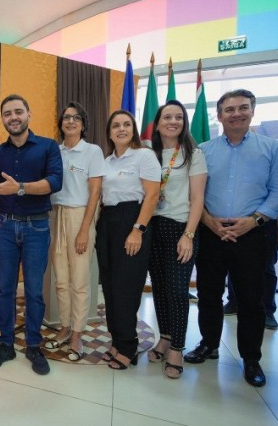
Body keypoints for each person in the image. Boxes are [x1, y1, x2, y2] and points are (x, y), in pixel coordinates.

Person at [183, 89, 278, 388]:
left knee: (250, 299)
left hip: (253, 233)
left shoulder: (273, 148)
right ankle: (209, 344)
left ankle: (251, 358)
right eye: (229, 109)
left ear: (252, 111)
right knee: (208, 293)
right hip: (212, 230)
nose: (236, 114)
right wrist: (209, 221)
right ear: (219, 116)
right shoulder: (203, 150)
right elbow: (195, 193)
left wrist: (252, 221)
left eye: (243, 108)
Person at [0, 94, 62, 375]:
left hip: (37, 227)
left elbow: (54, 182)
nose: (13, 117)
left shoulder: (48, 147)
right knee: (4, 289)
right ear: (2, 118)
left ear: (29, 114)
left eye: (18, 111)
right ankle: (5, 344)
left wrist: (19, 188)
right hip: (3, 227)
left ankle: (33, 345)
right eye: (7, 113)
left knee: (33, 291)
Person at [96, 109, 161, 370]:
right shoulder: (106, 161)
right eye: (116, 126)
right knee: (110, 285)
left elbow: (153, 196)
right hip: (108, 221)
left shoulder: (144, 155)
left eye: (126, 124)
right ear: (109, 132)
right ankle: (117, 340)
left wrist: (138, 230)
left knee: (126, 287)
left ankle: (128, 345)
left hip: (132, 219)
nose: (121, 129)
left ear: (133, 129)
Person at [147, 100, 206, 379]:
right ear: (157, 123)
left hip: (180, 228)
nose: (173, 121)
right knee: (158, 286)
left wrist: (189, 235)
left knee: (177, 289)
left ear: (184, 123)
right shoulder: (147, 152)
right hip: (151, 226)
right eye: (167, 117)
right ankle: (165, 336)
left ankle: (178, 348)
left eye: (178, 117)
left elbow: (198, 199)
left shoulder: (193, 153)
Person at [44, 102, 104, 361]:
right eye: (66, 118)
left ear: (83, 123)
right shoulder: (55, 151)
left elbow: (95, 193)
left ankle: (78, 333)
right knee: (60, 280)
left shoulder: (92, 151)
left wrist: (84, 230)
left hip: (81, 215)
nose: (70, 122)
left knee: (79, 280)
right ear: (61, 123)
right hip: (56, 215)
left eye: (76, 118)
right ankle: (65, 327)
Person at [222, 219, 278, 330]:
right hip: (238, 214)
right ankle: (234, 301)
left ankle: (267, 310)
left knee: (266, 264)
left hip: (265, 219)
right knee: (234, 257)